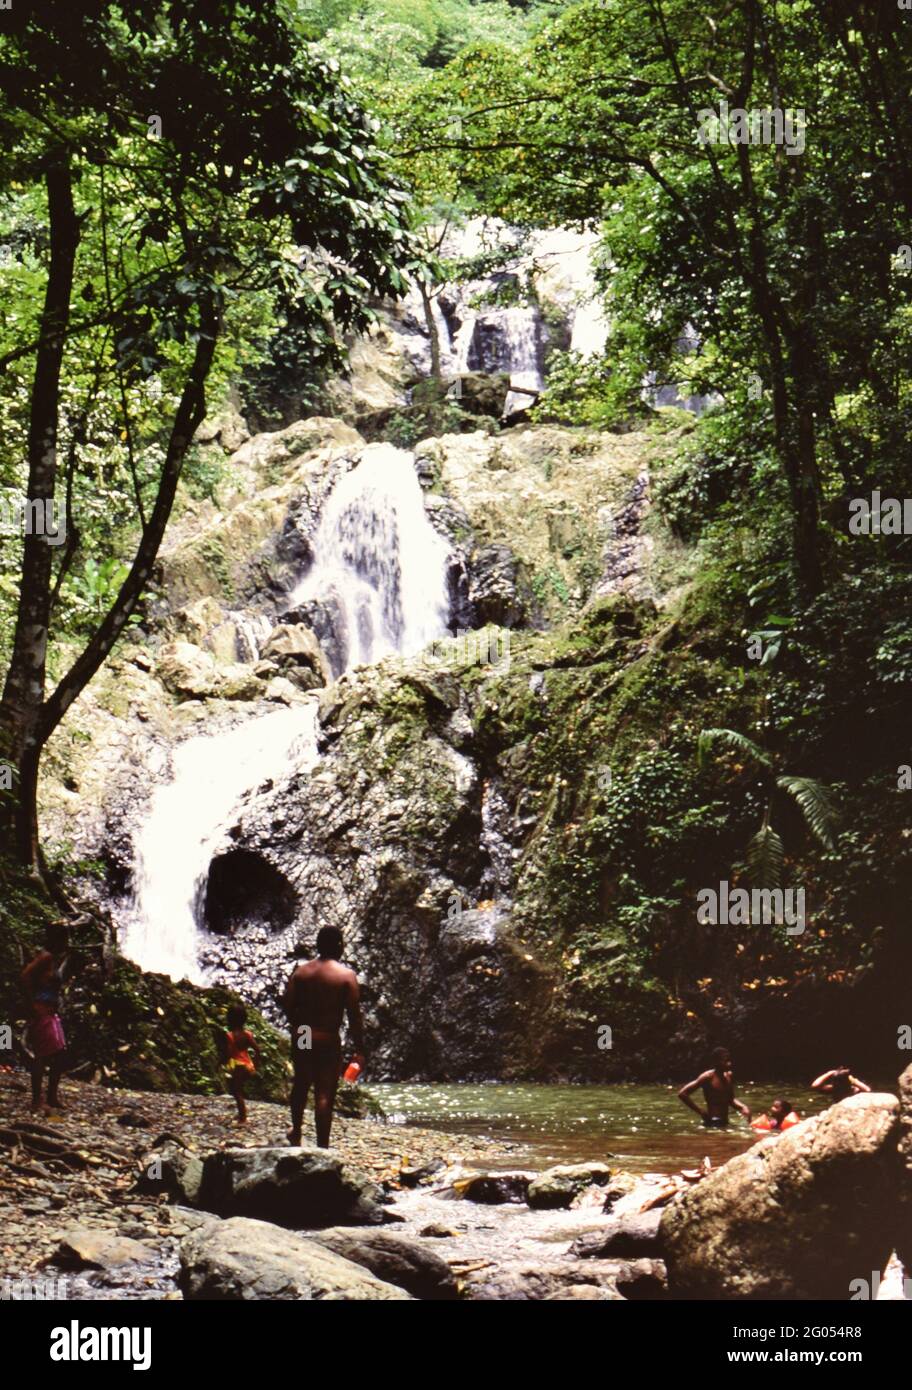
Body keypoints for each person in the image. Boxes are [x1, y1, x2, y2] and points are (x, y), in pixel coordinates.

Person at [282, 926, 365, 1148]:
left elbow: (288, 1006)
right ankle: (322, 1146)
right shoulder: (346, 976)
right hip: (327, 1036)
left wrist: (300, 1026)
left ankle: (297, 1131)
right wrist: (360, 1049)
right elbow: (355, 1016)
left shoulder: (301, 972)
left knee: (301, 1082)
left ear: (318, 946)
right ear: (339, 946)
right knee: (324, 1091)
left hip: (304, 1033)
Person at [20, 922, 70, 1114]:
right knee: (42, 1055)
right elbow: (25, 976)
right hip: (41, 1010)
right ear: (56, 939)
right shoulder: (45, 956)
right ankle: (36, 1101)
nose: (67, 943)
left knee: (59, 1053)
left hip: (51, 1012)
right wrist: (32, 1002)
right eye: (64, 939)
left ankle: (51, 1097)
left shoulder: (53, 958)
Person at [678, 1046, 752, 1128]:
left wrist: (743, 1107)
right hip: (712, 1122)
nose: (729, 1063)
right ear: (716, 1061)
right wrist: (701, 1111)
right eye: (725, 1061)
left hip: (725, 1122)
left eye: (729, 1060)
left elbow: (730, 1099)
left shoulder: (728, 1076)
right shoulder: (707, 1076)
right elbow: (683, 1094)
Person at [223, 1004, 259, 1126]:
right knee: (239, 1090)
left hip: (237, 1066)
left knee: (237, 1091)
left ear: (229, 1019)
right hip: (248, 1065)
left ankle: (243, 1118)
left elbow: (228, 1053)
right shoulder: (248, 1034)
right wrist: (256, 1064)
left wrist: (221, 1062)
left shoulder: (230, 1035)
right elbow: (257, 1049)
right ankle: (241, 1114)